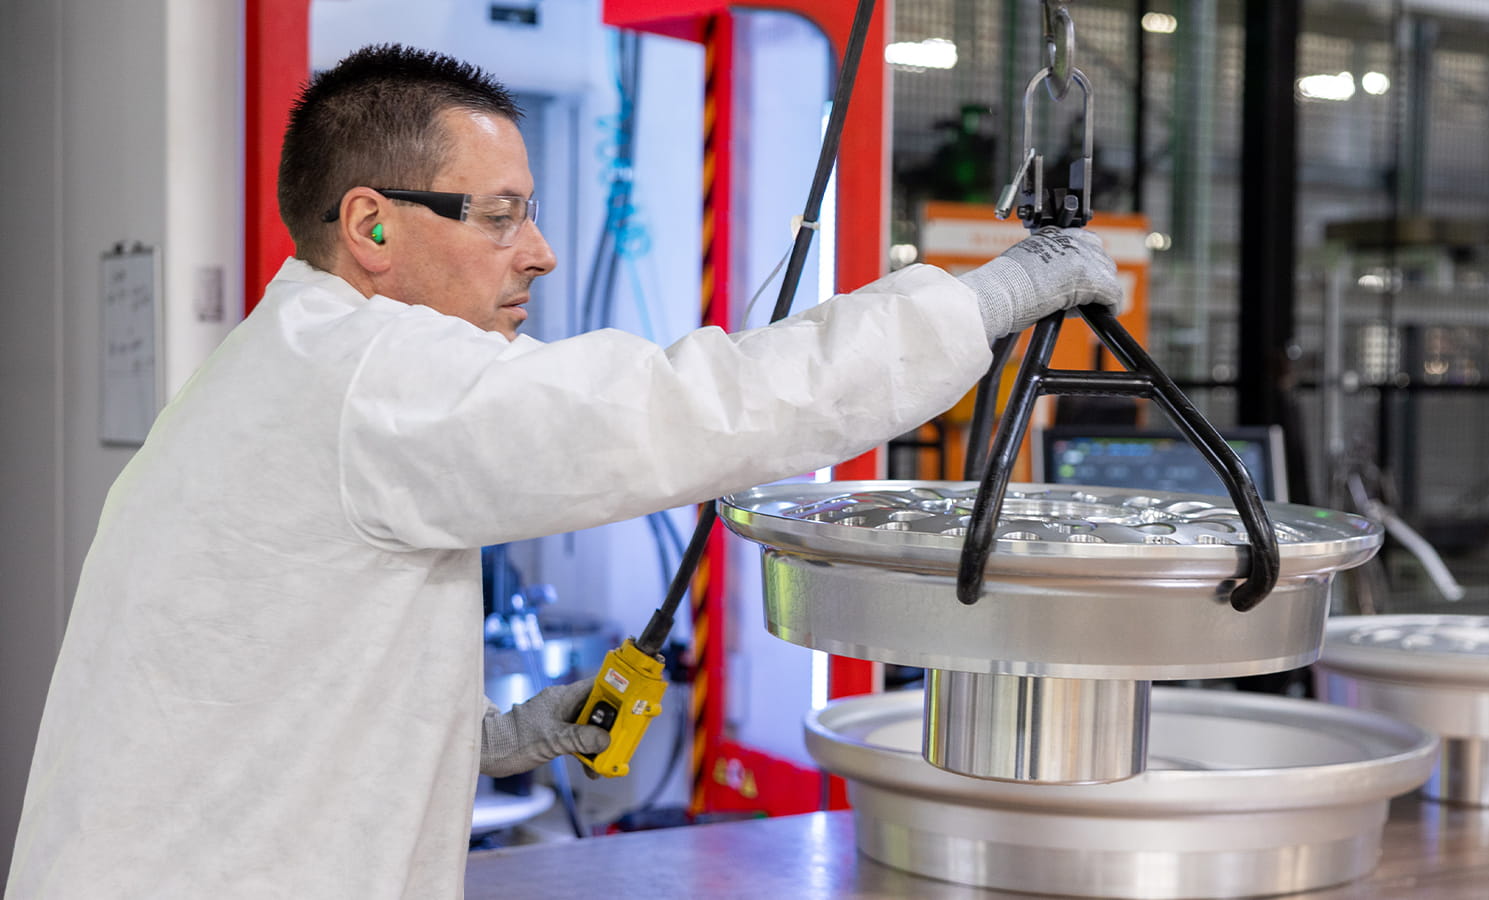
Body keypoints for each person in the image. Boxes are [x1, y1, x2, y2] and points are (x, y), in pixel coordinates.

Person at [6, 44, 1121, 899]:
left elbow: (242, 682)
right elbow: (694, 410)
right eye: (498, 216)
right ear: (371, 227)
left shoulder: (285, 368)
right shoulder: (372, 377)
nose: (537, 250)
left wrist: (496, 734)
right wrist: (993, 293)